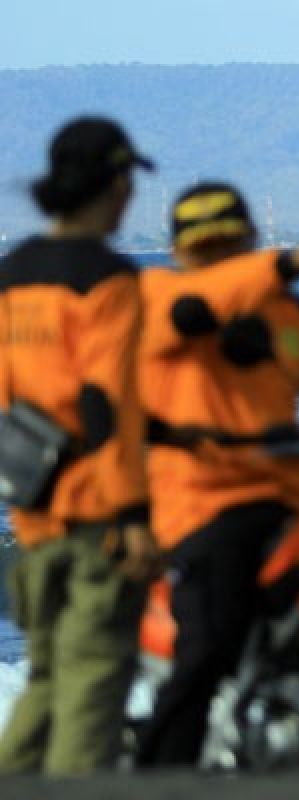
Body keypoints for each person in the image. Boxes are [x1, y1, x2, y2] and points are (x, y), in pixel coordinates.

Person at [135, 182, 299, 766]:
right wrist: (296, 261)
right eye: (204, 248)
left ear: (249, 242)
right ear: (178, 254)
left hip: (291, 497)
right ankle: (157, 773)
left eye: (229, 245)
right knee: (209, 646)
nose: (218, 259)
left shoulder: (285, 312)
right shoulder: (158, 297)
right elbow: (205, 299)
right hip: (200, 501)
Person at [0, 117, 160, 775]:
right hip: (97, 515)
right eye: (127, 184)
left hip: (32, 511)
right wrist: (133, 519)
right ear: (111, 185)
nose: (130, 199)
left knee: (45, 681)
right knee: (91, 691)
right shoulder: (109, 279)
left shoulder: (12, 275)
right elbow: (105, 403)